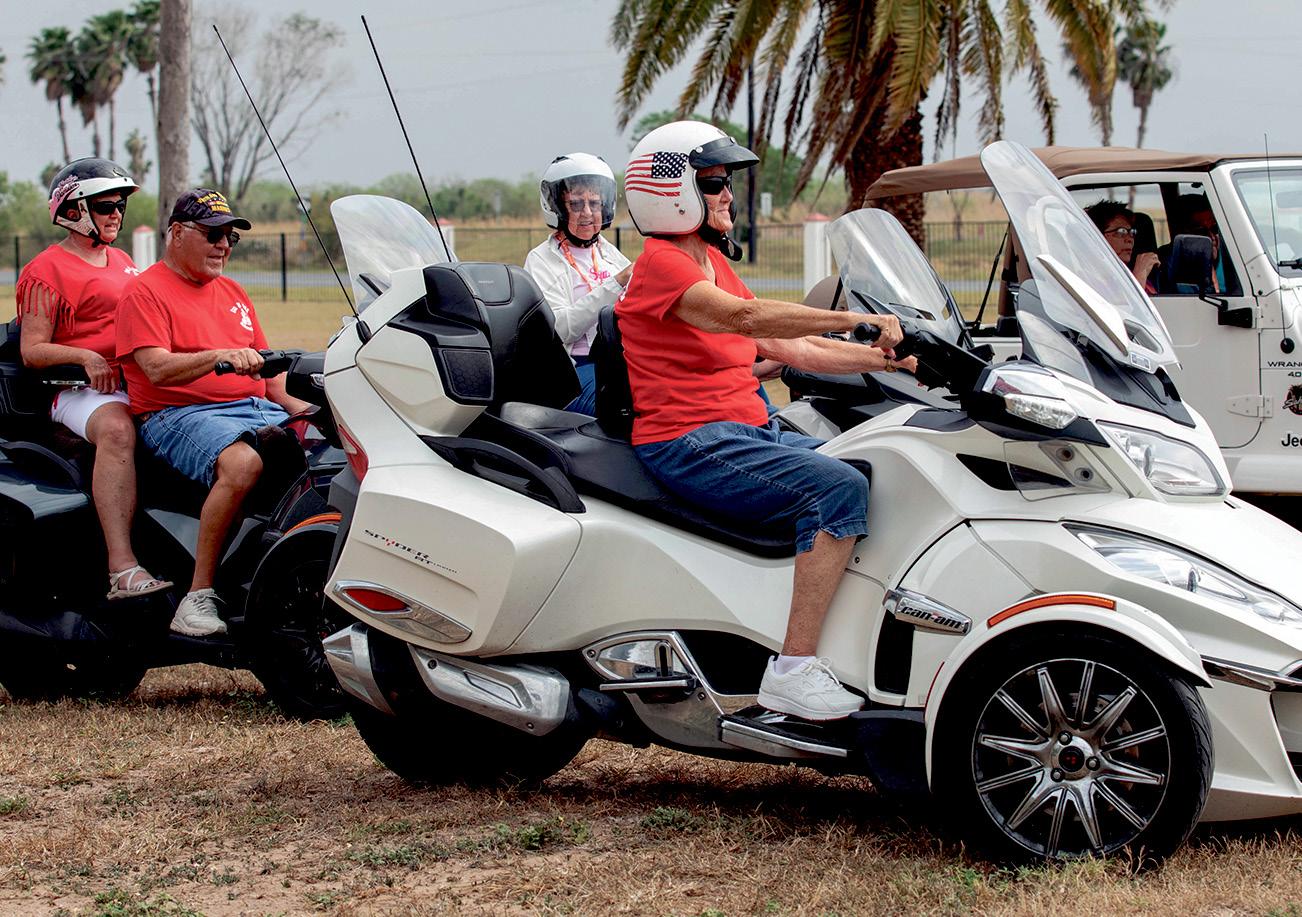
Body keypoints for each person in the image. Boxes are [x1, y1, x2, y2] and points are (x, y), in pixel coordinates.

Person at [617, 121, 917, 721]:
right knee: (838, 488)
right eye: (714, 183)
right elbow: (747, 320)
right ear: (672, 191)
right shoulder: (662, 265)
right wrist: (854, 319)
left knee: (874, 464)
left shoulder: (710, 262)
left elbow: (794, 348)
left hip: (749, 427)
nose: (729, 195)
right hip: (689, 440)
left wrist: (894, 361)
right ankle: (791, 670)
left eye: (727, 183)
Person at [116, 190, 313, 637]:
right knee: (243, 463)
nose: (223, 245)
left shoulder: (234, 292)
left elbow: (271, 380)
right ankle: (197, 596)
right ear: (177, 234)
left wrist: (315, 415)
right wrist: (218, 356)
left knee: (328, 455)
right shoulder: (144, 291)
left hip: (253, 408)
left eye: (230, 237)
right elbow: (155, 368)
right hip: (176, 413)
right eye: (213, 235)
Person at [15, 158, 172, 601]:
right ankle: (122, 567)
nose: (117, 214)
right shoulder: (46, 270)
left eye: (120, 205)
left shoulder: (121, 260)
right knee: (118, 431)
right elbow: (32, 349)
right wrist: (85, 356)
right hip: (78, 391)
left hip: (133, 380)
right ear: (74, 211)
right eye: (105, 206)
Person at [524, 153, 632, 415]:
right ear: (558, 208)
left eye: (594, 203)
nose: (587, 213)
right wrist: (616, 284)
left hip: (621, 362)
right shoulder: (541, 260)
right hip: (570, 372)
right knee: (628, 406)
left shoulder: (611, 255)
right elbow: (559, 329)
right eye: (575, 204)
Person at [1085, 200, 1159, 294]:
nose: (1130, 239)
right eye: (1121, 232)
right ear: (1097, 236)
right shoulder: (1088, 279)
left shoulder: (1126, 274)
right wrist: (1139, 275)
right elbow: (1125, 303)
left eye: (1132, 232)